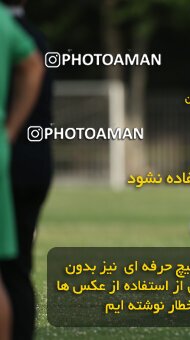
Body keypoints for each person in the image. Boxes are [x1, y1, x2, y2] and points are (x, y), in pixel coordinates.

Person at [0, 1, 53, 339]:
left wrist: (9, 132)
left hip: (12, 165)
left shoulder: (13, 35)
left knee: (8, 270)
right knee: (18, 269)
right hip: (38, 164)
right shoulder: (38, 37)